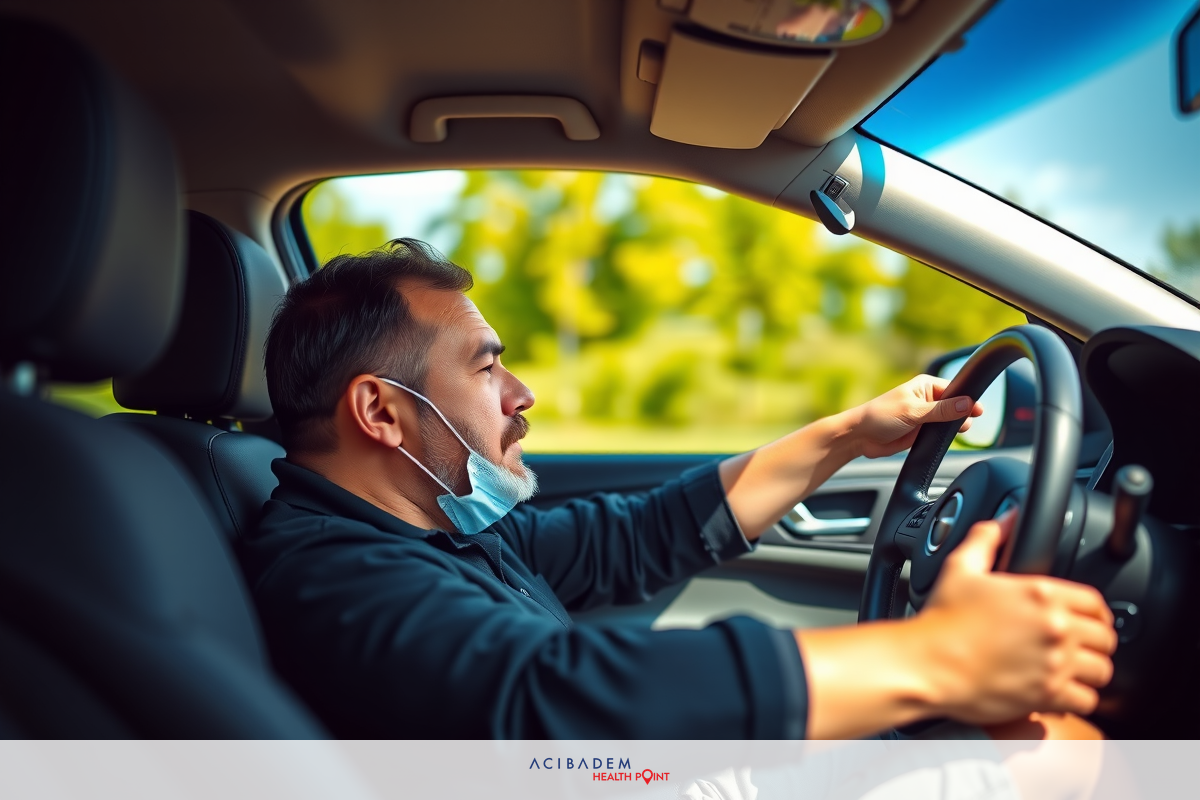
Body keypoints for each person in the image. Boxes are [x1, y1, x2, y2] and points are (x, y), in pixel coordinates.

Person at [238, 238, 1117, 739]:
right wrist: (942, 658)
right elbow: (544, 696)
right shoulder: (331, 577)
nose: (521, 393)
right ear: (381, 413)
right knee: (1048, 751)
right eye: (487, 365)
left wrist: (852, 433)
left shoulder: (437, 528)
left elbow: (642, 533)